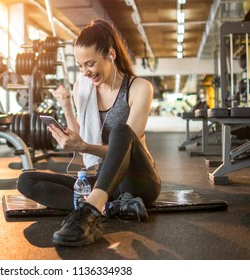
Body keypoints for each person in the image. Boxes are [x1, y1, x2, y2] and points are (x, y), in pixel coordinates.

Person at [17, 19, 161, 247]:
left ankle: (91, 211)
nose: (84, 72)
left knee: (121, 132)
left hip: (138, 181)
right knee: (27, 180)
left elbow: (126, 146)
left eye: (90, 64)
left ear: (111, 55)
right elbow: (80, 136)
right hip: (104, 181)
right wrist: (66, 106)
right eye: (80, 65)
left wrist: (83, 147)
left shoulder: (139, 88)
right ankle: (111, 207)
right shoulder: (81, 88)